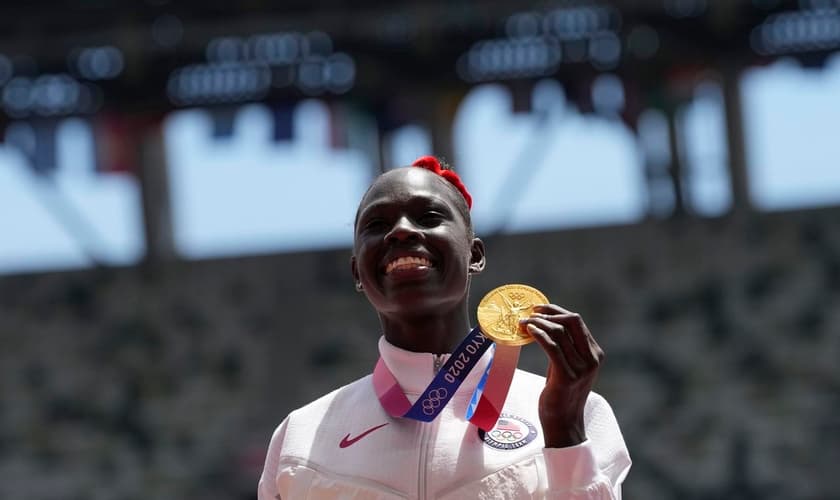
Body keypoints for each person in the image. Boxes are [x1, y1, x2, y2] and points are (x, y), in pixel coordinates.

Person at [258, 157, 631, 499]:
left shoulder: (580, 412)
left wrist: (564, 430)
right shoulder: (298, 438)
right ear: (357, 273)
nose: (401, 231)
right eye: (378, 225)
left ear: (475, 255)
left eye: (429, 217)